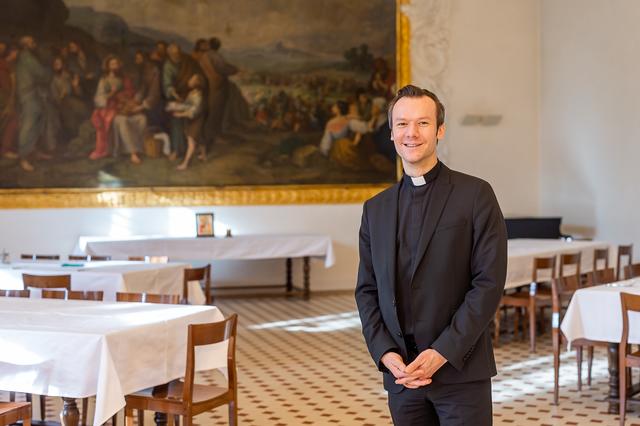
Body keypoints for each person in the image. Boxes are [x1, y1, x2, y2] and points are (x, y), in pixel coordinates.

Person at [355, 84, 507, 425]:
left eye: (423, 123)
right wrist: (384, 353)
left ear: (439, 130)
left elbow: (488, 284)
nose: (412, 133)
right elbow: (367, 291)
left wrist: (442, 352)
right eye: (402, 124)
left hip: (460, 371)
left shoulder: (475, 195)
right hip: (403, 375)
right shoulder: (375, 209)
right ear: (391, 133)